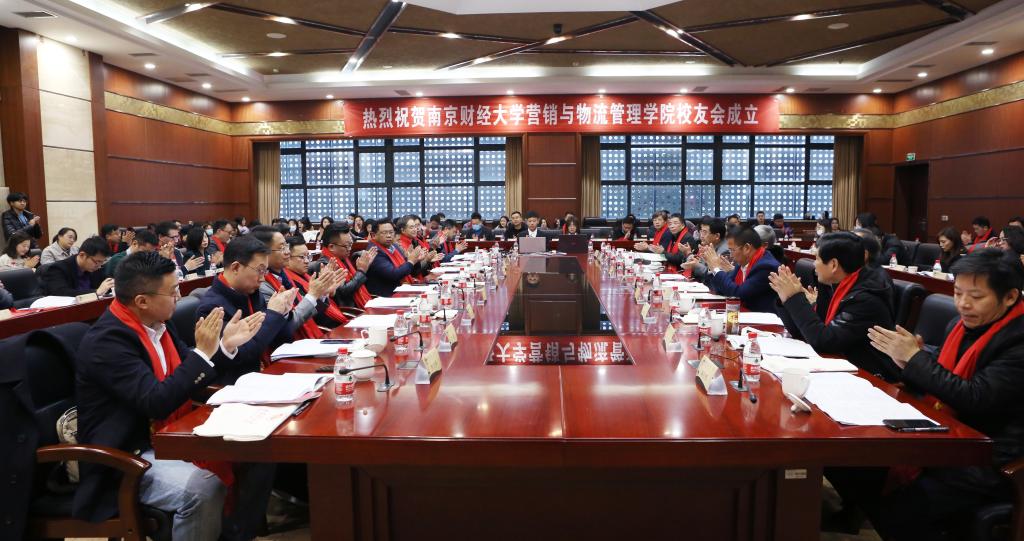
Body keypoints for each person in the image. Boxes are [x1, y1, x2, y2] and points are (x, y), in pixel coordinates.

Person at [73, 251, 272, 541]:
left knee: (259, 450)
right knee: (202, 487)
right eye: (173, 291)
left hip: (168, 433)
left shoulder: (159, 325)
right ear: (142, 301)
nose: (179, 296)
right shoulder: (107, 342)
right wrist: (203, 352)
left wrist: (224, 346)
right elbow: (156, 401)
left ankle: (235, 534)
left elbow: (190, 375)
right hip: (126, 455)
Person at [862, 249, 1024, 540]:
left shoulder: (1018, 340)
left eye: (976, 297)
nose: (963, 304)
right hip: (953, 435)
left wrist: (916, 360)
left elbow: (975, 397)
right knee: (865, 470)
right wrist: (909, 360)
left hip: (994, 456)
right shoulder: (960, 326)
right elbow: (942, 374)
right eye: (958, 293)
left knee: (901, 510)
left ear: (1010, 297)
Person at [769, 232, 899, 381]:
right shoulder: (834, 285)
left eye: (817, 258)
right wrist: (786, 299)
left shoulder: (865, 299)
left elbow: (823, 341)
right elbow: (803, 333)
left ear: (833, 265)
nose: (814, 264)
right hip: (840, 367)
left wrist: (795, 299)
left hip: (870, 377)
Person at [196, 235, 295, 383]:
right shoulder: (211, 308)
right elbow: (245, 354)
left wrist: (283, 313)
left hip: (269, 372)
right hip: (239, 384)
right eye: (260, 270)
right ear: (235, 267)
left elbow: (282, 340)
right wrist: (273, 314)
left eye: (265, 271)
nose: (263, 278)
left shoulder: (253, 293)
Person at [251, 226, 343, 340]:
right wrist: (313, 295)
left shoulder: (284, 278)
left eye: (286, 246)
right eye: (282, 248)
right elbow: (285, 328)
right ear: (264, 253)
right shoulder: (262, 286)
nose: (287, 252)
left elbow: (309, 314)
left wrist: (321, 294)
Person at [698, 226, 781, 313]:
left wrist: (717, 269)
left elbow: (738, 295)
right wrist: (712, 266)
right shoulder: (744, 260)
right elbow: (722, 289)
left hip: (761, 318)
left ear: (747, 248)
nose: (731, 255)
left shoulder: (766, 267)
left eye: (732, 250)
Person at [285, 236, 350, 328]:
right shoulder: (288, 283)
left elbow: (328, 307)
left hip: (333, 323)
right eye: (302, 257)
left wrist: (327, 293)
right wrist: (320, 294)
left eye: (308, 256)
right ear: (287, 257)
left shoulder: (308, 276)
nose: (307, 261)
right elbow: (311, 317)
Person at [314, 224, 375, 309]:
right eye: (347, 246)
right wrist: (361, 271)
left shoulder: (343, 258)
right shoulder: (326, 264)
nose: (350, 249)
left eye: (351, 244)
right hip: (348, 310)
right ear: (331, 247)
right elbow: (344, 292)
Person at [365, 219, 428, 297]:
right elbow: (393, 275)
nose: (389, 235)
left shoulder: (394, 246)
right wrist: (411, 261)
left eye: (391, 232)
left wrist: (416, 260)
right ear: (373, 235)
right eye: (384, 233)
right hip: (387, 296)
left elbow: (410, 271)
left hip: (402, 289)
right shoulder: (374, 251)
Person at [39, 236, 114, 297]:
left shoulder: (96, 268)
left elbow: (105, 288)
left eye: (102, 262)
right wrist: (95, 292)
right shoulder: (58, 268)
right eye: (97, 262)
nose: (99, 266)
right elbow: (60, 293)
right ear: (82, 255)